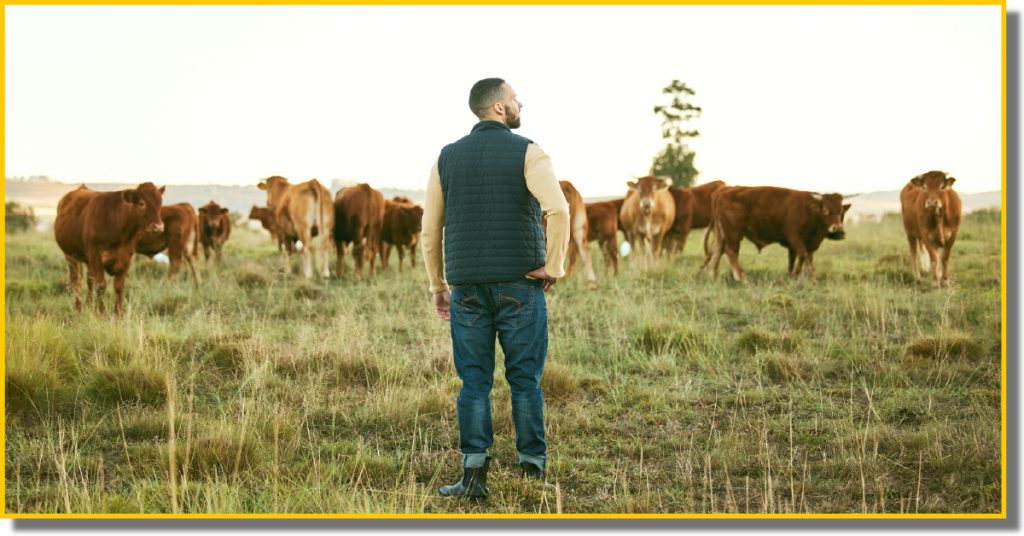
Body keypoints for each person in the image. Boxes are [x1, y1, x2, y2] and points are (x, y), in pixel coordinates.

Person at [421, 78, 571, 498]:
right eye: (514, 97)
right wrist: (553, 266)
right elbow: (557, 209)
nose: (521, 101)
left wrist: (438, 285)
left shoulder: (446, 158)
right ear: (500, 110)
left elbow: (430, 231)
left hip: (466, 287)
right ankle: (533, 472)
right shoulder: (528, 151)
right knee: (525, 380)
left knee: (474, 383)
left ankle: (473, 477)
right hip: (520, 285)